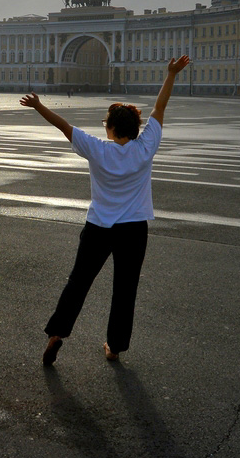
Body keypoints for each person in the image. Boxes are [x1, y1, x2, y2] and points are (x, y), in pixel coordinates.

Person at [20, 55, 190, 365]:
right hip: (134, 229)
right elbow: (160, 108)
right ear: (135, 128)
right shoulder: (145, 146)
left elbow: (64, 126)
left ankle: (57, 334)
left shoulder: (97, 148)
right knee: (125, 290)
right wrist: (171, 74)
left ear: (110, 128)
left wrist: (38, 106)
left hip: (99, 227)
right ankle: (114, 346)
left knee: (78, 282)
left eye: (105, 124)